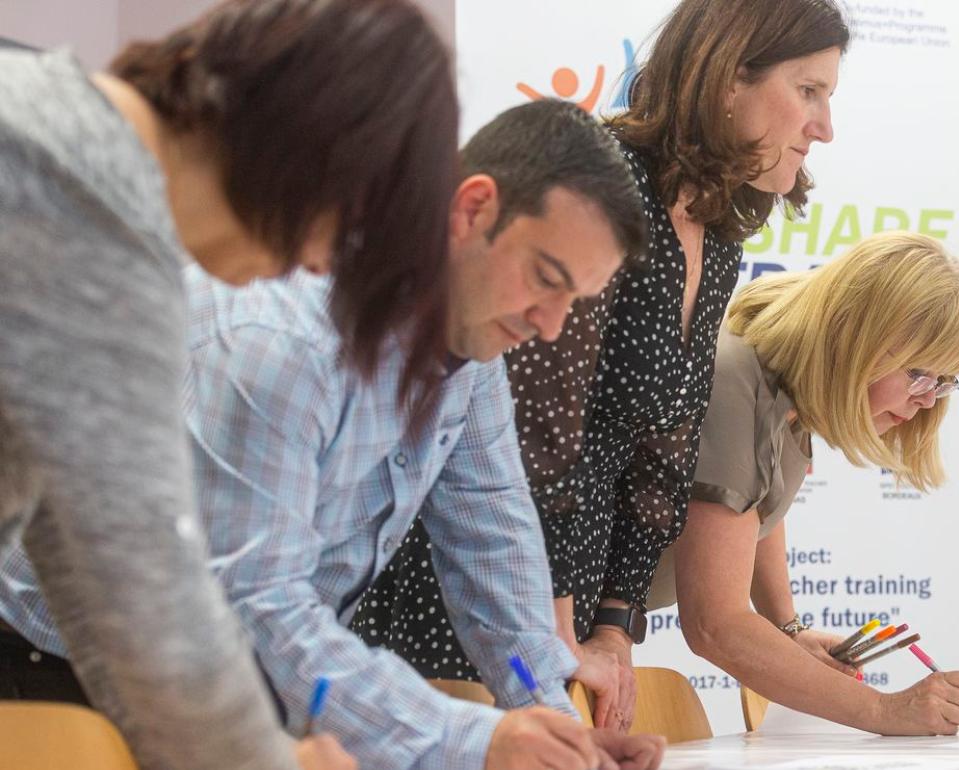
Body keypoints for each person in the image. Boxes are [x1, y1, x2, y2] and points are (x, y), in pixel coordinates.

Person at [2, 99, 664, 770]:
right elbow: (259, 613)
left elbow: (493, 547)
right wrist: (479, 741)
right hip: (61, 680)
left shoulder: (474, 348)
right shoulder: (283, 341)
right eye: (545, 279)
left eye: (572, 299)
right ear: (472, 210)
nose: (549, 325)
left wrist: (551, 726)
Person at [353, 0, 851, 732]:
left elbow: (664, 456)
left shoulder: (716, 244)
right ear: (727, 81)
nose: (823, 127)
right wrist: (551, 630)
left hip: (570, 604)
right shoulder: (605, 187)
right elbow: (537, 438)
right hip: (481, 589)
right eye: (808, 91)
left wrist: (615, 624)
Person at [0, 1, 457, 768]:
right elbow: (146, 597)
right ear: (315, 148)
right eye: (349, 232)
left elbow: (88, 576)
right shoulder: (86, 206)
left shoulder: (43, 119)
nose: (320, 268)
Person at [645, 231, 959, 736]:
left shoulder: (787, 382)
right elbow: (715, 626)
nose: (928, 401)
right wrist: (883, 711)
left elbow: (752, 507)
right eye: (920, 374)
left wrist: (788, 628)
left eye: (944, 383)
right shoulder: (735, 381)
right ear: (857, 337)